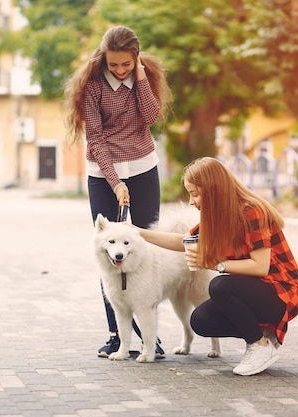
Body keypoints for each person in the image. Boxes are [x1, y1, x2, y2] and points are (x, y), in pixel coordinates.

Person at [136, 157, 298, 376]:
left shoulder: (251, 211)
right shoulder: (216, 216)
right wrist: (136, 232)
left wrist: (213, 264)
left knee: (220, 285)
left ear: (213, 190)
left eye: (195, 194)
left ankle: (260, 346)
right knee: (201, 321)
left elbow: (260, 267)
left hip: (283, 292)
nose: (191, 201)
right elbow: (182, 241)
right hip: (254, 289)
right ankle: (262, 333)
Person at [63, 25, 172, 357]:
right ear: (103, 59)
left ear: (135, 57)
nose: (120, 69)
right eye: (114, 65)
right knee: (111, 251)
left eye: (126, 63)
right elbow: (95, 140)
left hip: (142, 167)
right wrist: (115, 182)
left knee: (147, 246)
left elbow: (151, 116)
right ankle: (117, 335)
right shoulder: (93, 87)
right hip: (103, 172)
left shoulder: (142, 75)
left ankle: (150, 338)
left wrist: (139, 77)